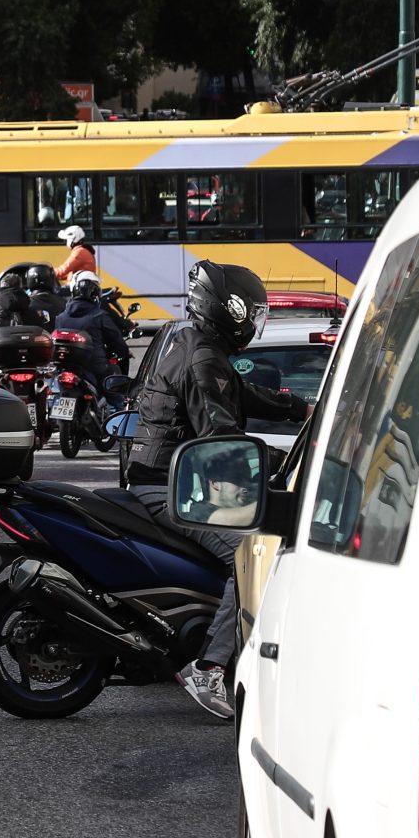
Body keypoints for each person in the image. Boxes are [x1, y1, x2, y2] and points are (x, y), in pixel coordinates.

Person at [125, 262, 306, 720]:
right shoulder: (204, 358)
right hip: (171, 486)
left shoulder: (192, 342)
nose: (254, 323)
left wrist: (299, 408)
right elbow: (220, 439)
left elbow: (240, 394)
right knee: (249, 554)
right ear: (228, 310)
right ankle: (208, 666)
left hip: (163, 476)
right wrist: (282, 463)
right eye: (251, 313)